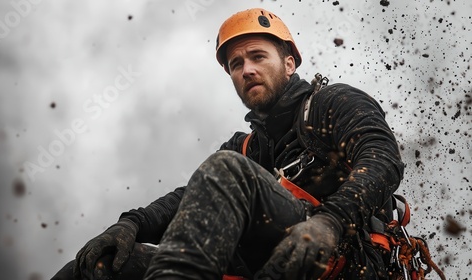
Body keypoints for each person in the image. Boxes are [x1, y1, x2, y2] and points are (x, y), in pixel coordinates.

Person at [52, 8, 404, 280]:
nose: (247, 69)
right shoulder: (246, 147)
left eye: (257, 56)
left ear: (289, 63)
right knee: (96, 265)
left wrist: (330, 222)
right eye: (237, 64)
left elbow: (383, 158)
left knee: (226, 171)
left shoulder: (331, 103)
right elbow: (186, 199)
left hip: (348, 259)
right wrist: (130, 225)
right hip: (263, 267)